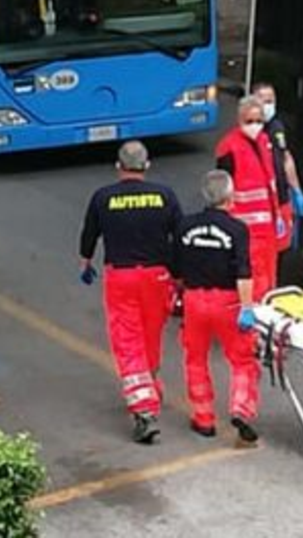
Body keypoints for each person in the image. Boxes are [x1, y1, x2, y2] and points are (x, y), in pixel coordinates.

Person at [79, 141, 182, 444]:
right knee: (151, 336)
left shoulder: (103, 197)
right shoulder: (165, 196)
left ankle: (144, 410)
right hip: (158, 277)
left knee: (128, 341)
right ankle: (151, 385)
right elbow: (179, 236)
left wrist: (85, 262)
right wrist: (178, 277)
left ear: (118, 166)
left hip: (121, 277)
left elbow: (89, 235)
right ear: (147, 165)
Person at [175, 170, 260, 443]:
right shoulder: (237, 230)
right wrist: (247, 307)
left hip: (194, 300)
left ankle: (203, 419)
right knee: (243, 361)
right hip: (228, 302)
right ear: (229, 196)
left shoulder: (185, 226)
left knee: (195, 360)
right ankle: (241, 409)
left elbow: (175, 265)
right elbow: (244, 272)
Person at [215, 96, 282, 300]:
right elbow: (222, 188)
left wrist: (278, 214)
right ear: (239, 119)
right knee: (252, 281)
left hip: (268, 230)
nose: (255, 126)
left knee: (269, 279)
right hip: (246, 231)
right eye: (249, 121)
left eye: (258, 121)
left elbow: (271, 180)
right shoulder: (228, 147)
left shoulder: (264, 141)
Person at [252, 82, 303, 253]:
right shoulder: (251, 130)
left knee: (281, 247)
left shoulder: (277, 127)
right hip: (261, 201)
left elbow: (285, 158)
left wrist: (297, 190)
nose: (269, 105)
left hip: (281, 198)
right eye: (264, 100)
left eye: (271, 101)